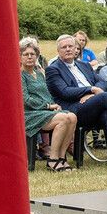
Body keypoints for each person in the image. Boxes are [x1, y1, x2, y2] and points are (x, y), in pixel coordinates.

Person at [45, 34, 107, 165]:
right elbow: (64, 92)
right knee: (105, 97)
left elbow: (101, 82)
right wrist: (91, 90)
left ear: (76, 47)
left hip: (94, 105)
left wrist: (92, 94)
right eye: (64, 47)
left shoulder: (84, 65)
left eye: (71, 46)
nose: (68, 49)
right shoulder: (53, 69)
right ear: (58, 51)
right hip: (73, 110)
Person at [20, 38, 78, 172]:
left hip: (44, 111)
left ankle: (61, 158)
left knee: (72, 117)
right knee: (63, 119)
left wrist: (53, 104)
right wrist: (47, 106)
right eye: (26, 54)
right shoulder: (19, 75)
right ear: (20, 56)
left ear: (37, 56)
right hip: (29, 114)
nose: (30, 57)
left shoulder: (39, 74)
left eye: (32, 54)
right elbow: (26, 100)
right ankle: (52, 160)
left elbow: (47, 94)